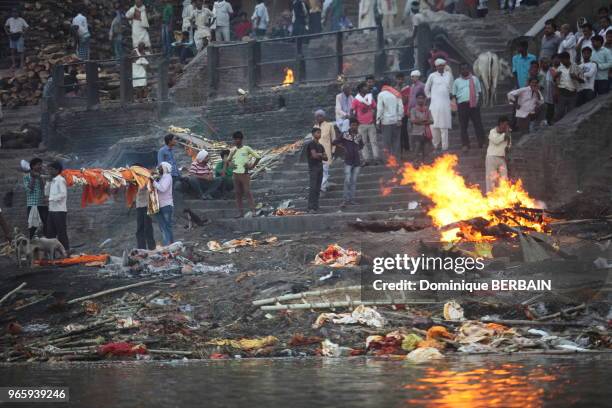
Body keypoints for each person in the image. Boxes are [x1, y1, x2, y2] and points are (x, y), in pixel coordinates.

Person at [223, 131, 261, 217]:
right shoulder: (233, 150)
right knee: (238, 193)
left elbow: (258, 157)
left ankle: (253, 211)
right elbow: (228, 160)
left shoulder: (246, 148)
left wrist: (252, 166)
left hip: (244, 173)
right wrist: (230, 164)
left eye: (238, 139)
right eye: (235, 139)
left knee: (247, 192)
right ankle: (240, 213)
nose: (237, 141)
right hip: (235, 174)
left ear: (241, 139)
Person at [452, 63, 485, 150]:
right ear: (460, 71)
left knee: (478, 124)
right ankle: (465, 145)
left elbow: (479, 92)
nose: (464, 70)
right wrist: (456, 106)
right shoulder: (456, 81)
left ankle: (481, 142)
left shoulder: (474, 79)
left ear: (469, 69)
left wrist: (479, 103)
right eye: (462, 69)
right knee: (463, 126)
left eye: (466, 69)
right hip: (462, 106)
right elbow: (454, 95)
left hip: (474, 105)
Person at [333, 118, 364, 207]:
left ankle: (352, 200)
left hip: (357, 162)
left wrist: (356, 150)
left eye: (356, 125)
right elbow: (335, 142)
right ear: (350, 125)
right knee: (347, 180)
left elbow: (361, 146)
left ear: (357, 126)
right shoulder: (345, 134)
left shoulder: (359, 136)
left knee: (353, 181)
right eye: (353, 125)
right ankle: (345, 200)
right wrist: (344, 148)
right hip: (348, 161)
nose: (354, 126)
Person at [425, 58, 453, 152]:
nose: (441, 67)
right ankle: (435, 146)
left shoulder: (448, 75)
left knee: (444, 127)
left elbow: (451, 88)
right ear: (436, 67)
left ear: (444, 66)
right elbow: (426, 88)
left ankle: (445, 147)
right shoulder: (432, 76)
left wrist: (450, 96)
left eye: (442, 65)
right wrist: (430, 96)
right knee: (434, 126)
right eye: (439, 65)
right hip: (434, 105)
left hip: (445, 104)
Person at [351, 82, 379, 165]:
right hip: (361, 124)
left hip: (370, 123)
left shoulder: (370, 97)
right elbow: (352, 110)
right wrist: (355, 121)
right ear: (360, 89)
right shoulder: (356, 100)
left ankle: (376, 158)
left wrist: (374, 118)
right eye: (365, 87)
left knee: (374, 142)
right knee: (363, 143)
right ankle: (366, 159)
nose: (367, 88)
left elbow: (375, 107)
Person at [376, 78, 404, 158]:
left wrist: (378, 122)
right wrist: (399, 118)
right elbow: (401, 107)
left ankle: (388, 160)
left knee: (387, 141)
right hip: (396, 121)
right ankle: (396, 158)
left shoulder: (381, 95)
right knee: (396, 141)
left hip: (386, 122)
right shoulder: (396, 93)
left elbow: (380, 109)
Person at [45, 161, 69, 252]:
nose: (49, 172)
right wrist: (47, 182)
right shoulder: (53, 180)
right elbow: (46, 193)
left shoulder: (61, 180)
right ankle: (52, 254)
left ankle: (66, 251)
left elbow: (62, 194)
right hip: (52, 211)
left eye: (51, 169)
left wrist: (50, 199)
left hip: (60, 211)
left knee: (61, 233)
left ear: (57, 170)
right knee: (50, 233)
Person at [485, 116, 511, 193]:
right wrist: (505, 135)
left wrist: (508, 147)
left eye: (507, 125)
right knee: (491, 179)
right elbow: (496, 141)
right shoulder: (492, 131)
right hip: (491, 157)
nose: (506, 126)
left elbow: (509, 144)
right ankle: (490, 197)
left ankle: (504, 197)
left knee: (504, 178)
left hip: (502, 158)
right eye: (505, 124)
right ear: (500, 123)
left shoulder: (507, 133)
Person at [554, 52, 583, 121]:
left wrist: (576, 77)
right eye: (560, 60)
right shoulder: (560, 68)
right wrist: (556, 92)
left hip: (573, 94)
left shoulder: (576, 67)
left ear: (567, 59)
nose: (561, 62)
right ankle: (557, 128)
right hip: (562, 93)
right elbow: (556, 80)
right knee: (559, 113)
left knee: (571, 114)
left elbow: (583, 81)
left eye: (562, 60)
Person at [23, 158, 48, 239]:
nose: (40, 166)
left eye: (41, 164)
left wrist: (40, 177)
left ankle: (46, 242)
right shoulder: (26, 177)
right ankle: (32, 244)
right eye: (38, 164)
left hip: (43, 204)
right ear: (33, 166)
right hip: (32, 204)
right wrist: (33, 178)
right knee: (33, 225)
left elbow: (43, 188)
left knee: (46, 223)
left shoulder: (42, 176)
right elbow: (29, 190)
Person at [133, 163, 155, 250]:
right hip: (139, 206)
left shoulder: (145, 177)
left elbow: (147, 187)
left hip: (147, 205)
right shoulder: (133, 180)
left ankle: (151, 248)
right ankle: (141, 249)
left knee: (148, 227)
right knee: (140, 229)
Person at [313, 110, 335, 193]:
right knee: (320, 170)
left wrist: (333, 151)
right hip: (317, 153)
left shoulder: (329, 125)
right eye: (317, 116)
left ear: (323, 117)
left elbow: (333, 139)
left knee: (325, 170)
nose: (319, 118)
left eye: (320, 116)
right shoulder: (315, 127)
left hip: (326, 152)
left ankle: (321, 187)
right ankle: (324, 186)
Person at [154, 162, 174, 246]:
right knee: (163, 227)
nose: (159, 168)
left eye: (161, 167)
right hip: (160, 205)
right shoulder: (162, 177)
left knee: (166, 227)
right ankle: (170, 246)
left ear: (165, 168)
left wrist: (153, 182)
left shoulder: (168, 177)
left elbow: (163, 188)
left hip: (166, 205)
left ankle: (168, 246)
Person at [306, 128, 327, 212]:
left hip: (320, 167)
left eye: (320, 133)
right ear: (313, 134)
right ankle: (310, 207)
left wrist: (319, 154)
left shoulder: (321, 146)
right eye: (318, 133)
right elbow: (314, 156)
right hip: (313, 167)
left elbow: (326, 158)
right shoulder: (311, 144)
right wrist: (321, 155)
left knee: (318, 188)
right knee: (313, 187)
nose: (319, 134)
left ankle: (316, 206)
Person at [410, 92, 433, 161]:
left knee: (426, 154)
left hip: (426, 134)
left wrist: (419, 121)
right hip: (417, 134)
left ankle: (426, 168)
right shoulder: (413, 110)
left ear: (424, 99)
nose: (420, 100)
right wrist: (424, 120)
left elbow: (432, 121)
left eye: (422, 98)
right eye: (419, 98)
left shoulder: (427, 110)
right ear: (416, 99)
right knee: (416, 154)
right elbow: (413, 121)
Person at [540, 57, 556, 125]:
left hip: (551, 97)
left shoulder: (552, 71)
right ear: (541, 64)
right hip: (543, 99)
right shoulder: (539, 73)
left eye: (547, 63)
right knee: (544, 116)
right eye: (544, 63)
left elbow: (556, 82)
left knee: (550, 115)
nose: (546, 64)